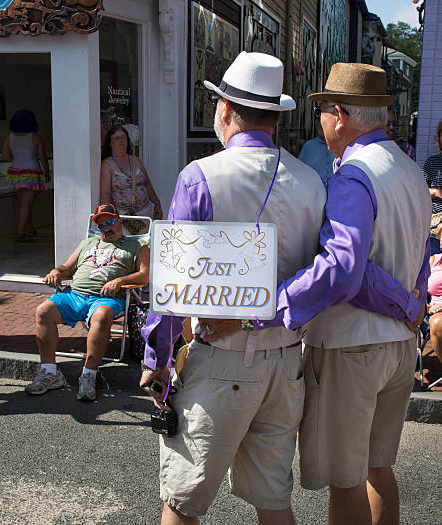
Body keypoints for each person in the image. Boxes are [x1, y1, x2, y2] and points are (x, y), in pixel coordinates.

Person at [202, 63, 430, 525]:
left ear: (340, 115)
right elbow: (422, 252)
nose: (322, 120)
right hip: (400, 345)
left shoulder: (353, 175)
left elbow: (345, 270)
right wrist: (412, 302)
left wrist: (266, 308)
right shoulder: (410, 169)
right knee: (379, 469)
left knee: (346, 483)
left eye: (324, 110)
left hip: (352, 346)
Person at [140, 51, 328, 525]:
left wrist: (156, 359)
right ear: (277, 117)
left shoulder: (200, 176)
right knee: (273, 499)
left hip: (221, 357)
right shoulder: (312, 182)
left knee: (183, 501)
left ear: (224, 110)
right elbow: (320, 272)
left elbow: (172, 284)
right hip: (286, 360)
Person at [28, 203, 149, 401]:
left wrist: (121, 280)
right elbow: (67, 267)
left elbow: (144, 276)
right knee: (43, 311)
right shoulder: (88, 243)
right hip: (75, 295)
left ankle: (88, 375)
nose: (106, 228)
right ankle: (50, 372)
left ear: (120, 222)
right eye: (101, 226)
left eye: (110, 222)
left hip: (105, 299)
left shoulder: (137, 246)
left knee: (101, 316)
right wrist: (56, 271)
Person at [100, 125, 163, 234]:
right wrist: (107, 217)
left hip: (145, 215)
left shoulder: (136, 161)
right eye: (116, 138)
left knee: (146, 247)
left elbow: (147, 184)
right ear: (110, 143)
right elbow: (105, 193)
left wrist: (157, 204)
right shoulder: (107, 164)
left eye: (123, 137)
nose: (121, 140)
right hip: (122, 218)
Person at [2, 109, 49, 242]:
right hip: (32, 172)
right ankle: (20, 232)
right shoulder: (35, 137)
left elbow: (5, 156)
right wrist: (47, 171)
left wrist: (15, 156)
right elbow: (42, 157)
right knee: (27, 203)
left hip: (15, 173)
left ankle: (30, 228)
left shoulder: (9, 137)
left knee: (24, 203)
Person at [298, 111, 336, 183]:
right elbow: (300, 175)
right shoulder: (308, 147)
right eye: (318, 120)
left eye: (325, 120)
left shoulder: (343, 147)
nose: (321, 124)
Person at [427, 222, 442, 365]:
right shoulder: (433, 260)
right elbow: (418, 288)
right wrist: (425, 306)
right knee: (438, 322)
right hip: (434, 312)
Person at [423, 120, 442, 226]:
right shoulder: (431, 162)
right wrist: (436, 192)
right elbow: (421, 190)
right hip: (434, 220)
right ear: (438, 138)